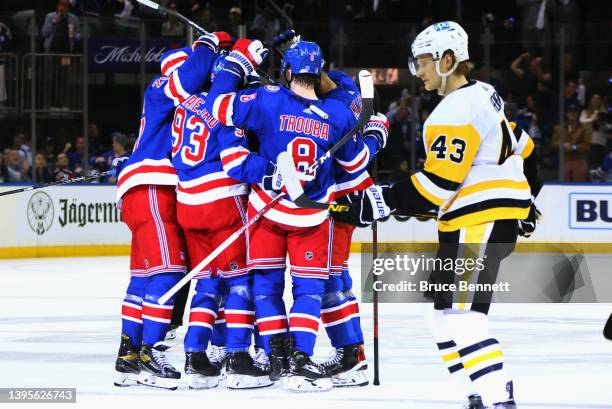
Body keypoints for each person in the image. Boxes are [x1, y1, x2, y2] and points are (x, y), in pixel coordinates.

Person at [333, 21, 544, 408]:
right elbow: (525, 147)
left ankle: (499, 400)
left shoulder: (454, 111)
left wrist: (375, 201)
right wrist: (528, 200)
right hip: (471, 222)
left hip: (477, 223)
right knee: (442, 315)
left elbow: (438, 186)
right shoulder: (486, 94)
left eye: (424, 61)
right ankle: (477, 393)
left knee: (464, 316)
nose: (419, 70)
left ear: (448, 59)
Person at [205, 39, 384, 392]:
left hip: (267, 212)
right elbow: (355, 165)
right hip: (311, 218)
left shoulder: (268, 99)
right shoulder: (339, 115)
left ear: (288, 71)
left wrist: (233, 67)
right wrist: (377, 135)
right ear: (319, 75)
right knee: (308, 291)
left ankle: (276, 356)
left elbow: (218, 106)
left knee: (267, 287)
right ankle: (301, 359)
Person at [113, 31, 232, 390]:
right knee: (169, 270)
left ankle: (128, 355)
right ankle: (150, 353)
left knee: (144, 277)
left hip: (141, 189)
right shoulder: (163, 86)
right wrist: (209, 45)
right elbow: (193, 74)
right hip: (153, 187)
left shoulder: (168, 108)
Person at [551, 104, 592, 182]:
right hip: (565, 160)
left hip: (579, 160)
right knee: (564, 185)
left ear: (577, 114)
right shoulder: (559, 127)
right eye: (569, 112)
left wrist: (574, 147)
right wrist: (563, 145)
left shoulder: (585, 128)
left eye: (574, 112)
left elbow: (587, 145)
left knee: (579, 185)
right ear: (566, 114)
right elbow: (554, 142)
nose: (571, 114)